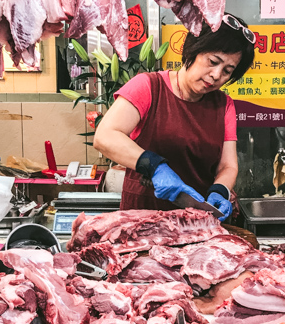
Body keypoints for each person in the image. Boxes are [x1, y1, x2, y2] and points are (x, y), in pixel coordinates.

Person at [93, 13, 255, 220]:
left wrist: (220, 190)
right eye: (213, 61)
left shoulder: (224, 105)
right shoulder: (148, 86)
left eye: (227, 71)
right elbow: (105, 136)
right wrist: (154, 167)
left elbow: (228, 165)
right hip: (141, 219)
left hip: (196, 220)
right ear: (193, 50)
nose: (216, 75)